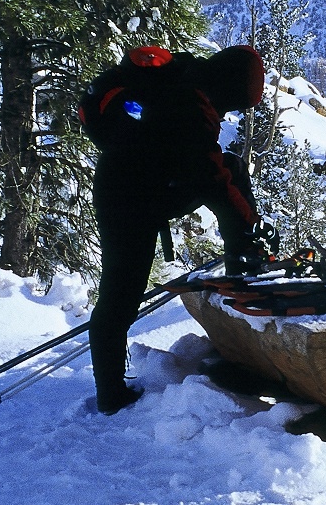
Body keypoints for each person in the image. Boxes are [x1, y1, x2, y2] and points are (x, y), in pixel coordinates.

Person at [78, 43, 267, 414]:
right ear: (230, 88)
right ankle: (111, 397)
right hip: (132, 198)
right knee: (121, 293)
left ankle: (245, 260)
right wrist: (251, 227)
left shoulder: (186, 75)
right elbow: (216, 180)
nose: (233, 112)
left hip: (130, 186)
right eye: (238, 103)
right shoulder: (192, 106)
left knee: (119, 291)